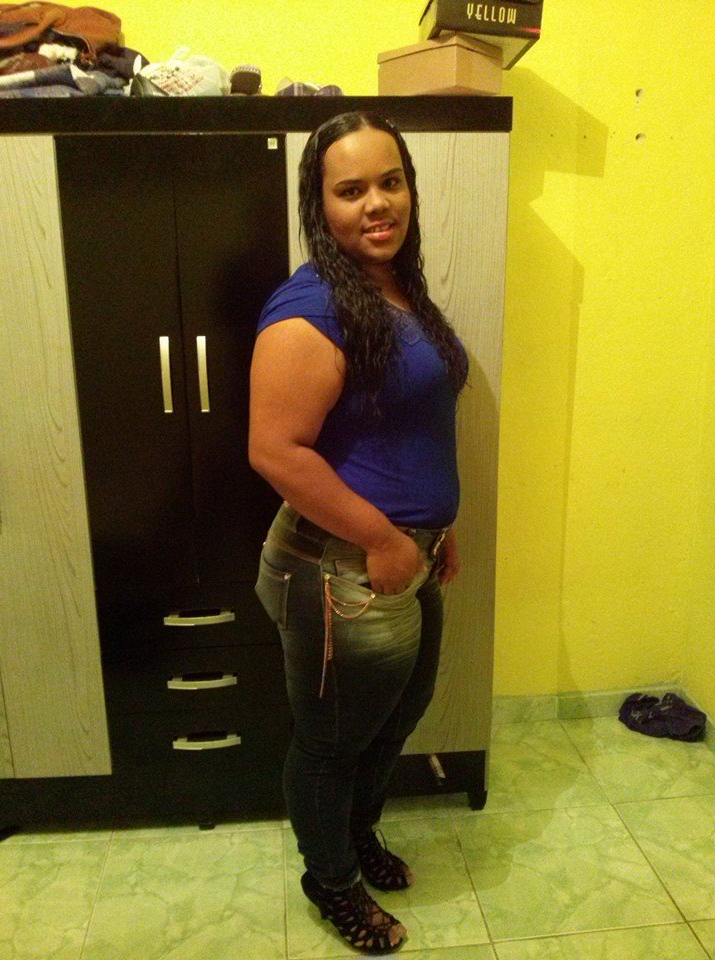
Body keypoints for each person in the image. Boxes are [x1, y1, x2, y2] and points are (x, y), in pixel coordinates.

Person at [249, 111, 468, 954]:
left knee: (396, 716)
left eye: (390, 181)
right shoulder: (309, 308)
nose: (377, 204)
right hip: (342, 564)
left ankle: (356, 835)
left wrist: (439, 526)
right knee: (332, 743)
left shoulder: (395, 286)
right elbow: (275, 449)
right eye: (351, 190)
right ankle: (331, 879)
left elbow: (410, 422)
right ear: (320, 204)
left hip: (406, 551)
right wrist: (383, 538)